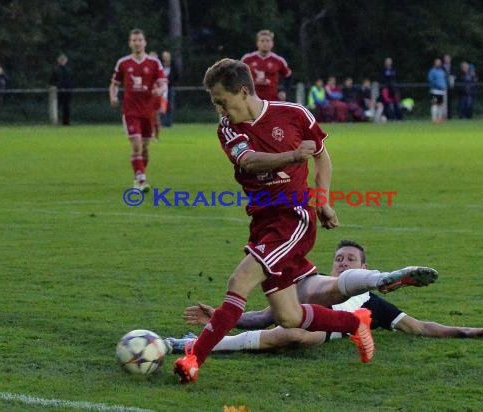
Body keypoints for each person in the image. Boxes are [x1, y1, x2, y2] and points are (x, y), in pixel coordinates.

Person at [173, 58, 377, 384]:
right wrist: (293, 155)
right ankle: (356, 324)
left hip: (293, 218)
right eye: (215, 103)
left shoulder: (294, 114)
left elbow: (322, 155)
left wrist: (322, 201)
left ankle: (194, 359)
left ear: (242, 91)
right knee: (289, 316)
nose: (219, 109)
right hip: (263, 222)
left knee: (239, 282)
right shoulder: (228, 129)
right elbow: (250, 161)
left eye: (222, 101)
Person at [175, 240, 483, 353]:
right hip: (300, 320)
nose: (342, 260)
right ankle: (196, 341)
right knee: (289, 326)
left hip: (320, 333)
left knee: (298, 334)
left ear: (361, 265)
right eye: (339, 258)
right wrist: (222, 317)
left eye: (350, 259)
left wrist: (466, 331)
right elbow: (263, 316)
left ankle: (192, 344)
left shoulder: (373, 305)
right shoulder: (308, 284)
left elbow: (418, 327)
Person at [109, 29, 166, 192]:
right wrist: (113, 96)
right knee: (136, 145)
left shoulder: (154, 63)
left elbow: (163, 82)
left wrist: (160, 91)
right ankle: (141, 179)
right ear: (130, 43)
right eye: (134, 40)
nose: (137, 43)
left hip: (148, 113)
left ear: (145, 42)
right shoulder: (123, 63)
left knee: (145, 147)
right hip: (130, 112)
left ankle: (139, 175)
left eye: (140, 40)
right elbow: (114, 83)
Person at [241, 30, 292, 101]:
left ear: (272, 43)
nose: (265, 43)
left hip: (271, 100)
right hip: (251, 100)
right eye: (262, 41)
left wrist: (283, 91)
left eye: (267, 41)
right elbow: (239, 76)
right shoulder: (247, 59)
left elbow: (288, 77)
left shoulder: (279, 60)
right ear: (257, 43)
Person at [49, 54, 74, 126]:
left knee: (67, 107)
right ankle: (54, 122)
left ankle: (66, 122)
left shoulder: (68, 70)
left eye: (64, 60)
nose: (63, 61)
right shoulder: (56, 69)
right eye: (61, 60)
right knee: (57, 106)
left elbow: (70, 80)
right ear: (59, 61)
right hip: (58, 91)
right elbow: (52, 80)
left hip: (67, 91)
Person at [160, 50, 179, 127]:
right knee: (162, 105)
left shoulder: (174, 65)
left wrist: (170, 81)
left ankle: (169, 123)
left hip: (170, 87)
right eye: (164, 57)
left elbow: (177, 75)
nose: (166, 58)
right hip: (161, 88)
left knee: (170, 105)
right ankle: (162, 122)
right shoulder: (160, 65)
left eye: (167, 56)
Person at [428, 58, 447, 123]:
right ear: (435, 63)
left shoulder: (442, 71)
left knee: (440, 105)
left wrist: (444, 86)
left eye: (439, 62)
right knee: (434, 104)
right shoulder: (432, 71)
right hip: (435, 91)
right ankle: (434, 118)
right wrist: (437, 86)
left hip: (441, 91)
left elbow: (444, 80)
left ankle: (439, 118)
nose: (438, 64)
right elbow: (431, 80)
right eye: (437, 62)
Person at [442, 54, 455, 119]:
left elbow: (454, 75)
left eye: (448, 58)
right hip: (441, 88)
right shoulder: (441, 67)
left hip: (449, 87)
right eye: (446, 58)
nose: (447, 60)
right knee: (439, 102)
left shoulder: (452, 67)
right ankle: (440, 116)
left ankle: (449, 116)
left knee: (449, 102)